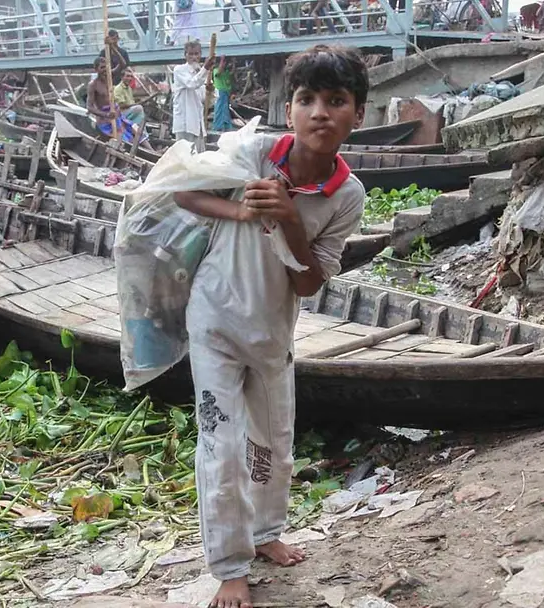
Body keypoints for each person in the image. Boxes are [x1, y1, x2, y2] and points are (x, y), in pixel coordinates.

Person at [172, 45, 366, 608]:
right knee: (221, 445)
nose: (320, 113)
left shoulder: (347, 195)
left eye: (336, 101)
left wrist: (288, 219)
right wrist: (242, 210)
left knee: (274, 444)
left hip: (272, 331)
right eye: (306, 99)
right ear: (289, 110)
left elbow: (308, 283)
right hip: (214, 319)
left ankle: (266, 533)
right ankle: (230, 566)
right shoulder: (254, 153)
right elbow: (180, 189)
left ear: (358, 114)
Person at [87, 56, 151, 147]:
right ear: (96, 69)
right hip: (105, 121)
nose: (105, 70)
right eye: (102, 67)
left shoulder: (110, 77)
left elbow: (123, 64)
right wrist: (106, 114)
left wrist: (114, 48)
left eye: (106, 67)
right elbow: (89, 107)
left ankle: (153, 151)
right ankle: (136, 153)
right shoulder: (93, 85)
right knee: (125, 139)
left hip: (118, 116)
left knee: (137, 131)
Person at [172, 41, 215, 152]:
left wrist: (211, 91)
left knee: (199, 157)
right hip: (185, 123)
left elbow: (208, 101)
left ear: (200, 55)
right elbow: (191, 84)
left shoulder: (202, 73)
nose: (194, 57)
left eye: (196, 54)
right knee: (184, 156)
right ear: (185, 55)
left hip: (198, 123)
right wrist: (205, 68)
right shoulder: (179, 70)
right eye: (190, 54)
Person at [212, 57, 234, 132]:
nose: (224, 64)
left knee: (225, 109)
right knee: (219, 108)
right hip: (219, 91)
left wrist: (234, 63)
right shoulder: (216, 70)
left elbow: (232, 73)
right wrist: (222, 59)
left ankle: (226, 125)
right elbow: (219, 71)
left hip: (226, 92)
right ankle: (217, 126)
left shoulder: (226, 71)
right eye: (223, 62)